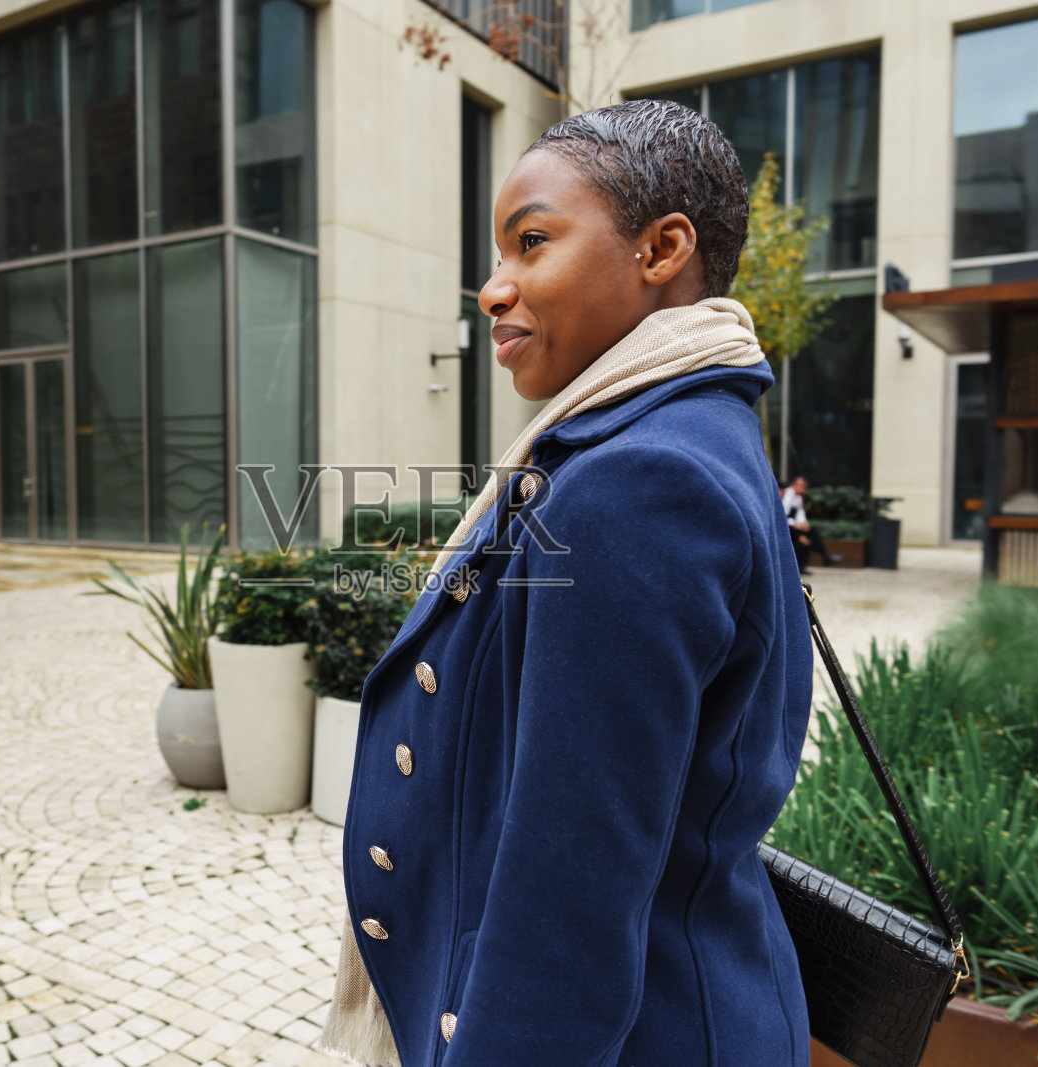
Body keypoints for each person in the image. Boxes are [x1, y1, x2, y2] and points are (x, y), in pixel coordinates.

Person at [320, 100, 812, 1066]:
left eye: (531, 242)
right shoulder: (676, 434)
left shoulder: (638, 480)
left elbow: (570, 896)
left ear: (662, 248)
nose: (493, 290)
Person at [781, 475, 842, 574]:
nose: (802, 488)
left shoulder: (799, 497)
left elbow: (800, 512)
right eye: (800, 485)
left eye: (804, 486)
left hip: (794, 525)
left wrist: (804, 523)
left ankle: (822, 556)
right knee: (804, 538)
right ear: (793, 485)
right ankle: (823, 556)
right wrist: (795, 524)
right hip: (788, 526)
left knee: (811, 532)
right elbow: (783, 516)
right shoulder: (787, 495)